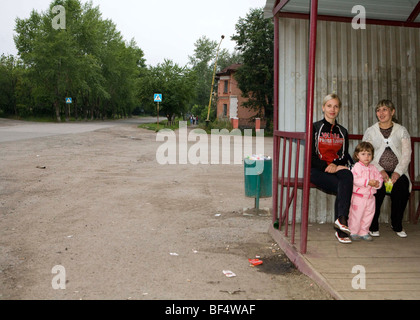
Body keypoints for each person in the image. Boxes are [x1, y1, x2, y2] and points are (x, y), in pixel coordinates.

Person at [363, 100, 412, 238]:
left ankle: (396, 224)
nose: (381, 113)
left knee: (401, 187)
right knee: (376, 188)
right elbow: (366, 154)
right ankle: (372, 225)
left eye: (384, 109)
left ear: (392, 111)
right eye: (378, 110)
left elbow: (406, 154)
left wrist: (397, 172)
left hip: (398, 171)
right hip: (376, 171)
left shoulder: (401, 130)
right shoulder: (370, 131)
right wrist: (380, 171)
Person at [311, 94, 354, 244]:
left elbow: (343, 156)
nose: (332, 109)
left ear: (339, 109)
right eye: (329, 106)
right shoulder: (315, 128)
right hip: (316, 169)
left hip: (335, 167)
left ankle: (341, 221)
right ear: (323, 108)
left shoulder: (342, 131)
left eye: (336, 106)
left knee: (347, 175)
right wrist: (325, 166)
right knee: (343, 187)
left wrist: (335, 165)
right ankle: (341, 229)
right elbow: (310, 155)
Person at [348, 142, 383, 241]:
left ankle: (364, 232)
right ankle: (353, 231)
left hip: (371, 197)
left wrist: (377, 183)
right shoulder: (356, 167)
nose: (366, 156)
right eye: (363, 154)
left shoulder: (374, 168)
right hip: (359, 197)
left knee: (368, 215)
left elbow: (379, 178)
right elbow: (354, 179)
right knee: (356, 215)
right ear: (357, 155)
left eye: (369, 154)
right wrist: (367, 182)